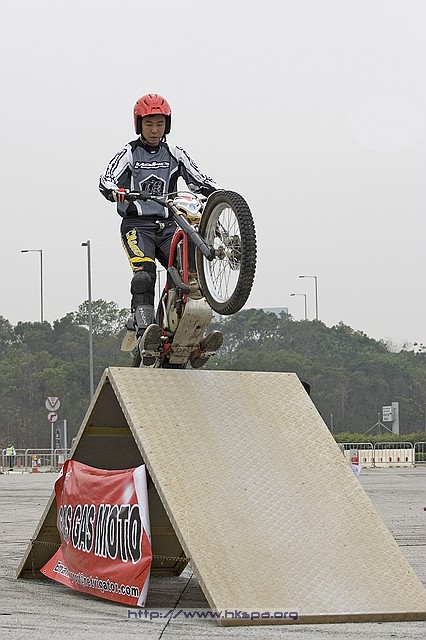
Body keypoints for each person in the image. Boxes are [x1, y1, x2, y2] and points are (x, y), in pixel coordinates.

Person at [99, 93, 223, 366]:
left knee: (189, 270)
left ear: (167, 125)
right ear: (138, 125)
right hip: (137, 225)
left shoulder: (175, 153)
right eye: (149, 124)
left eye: (159, 124)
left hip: (169, 225)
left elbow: (199, 180)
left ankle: (191, 333)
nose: (154, 130)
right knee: (144, 275)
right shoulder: (129, 153)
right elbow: (106, 179)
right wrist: (115, 191)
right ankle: (145, 332)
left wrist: (221, 196)